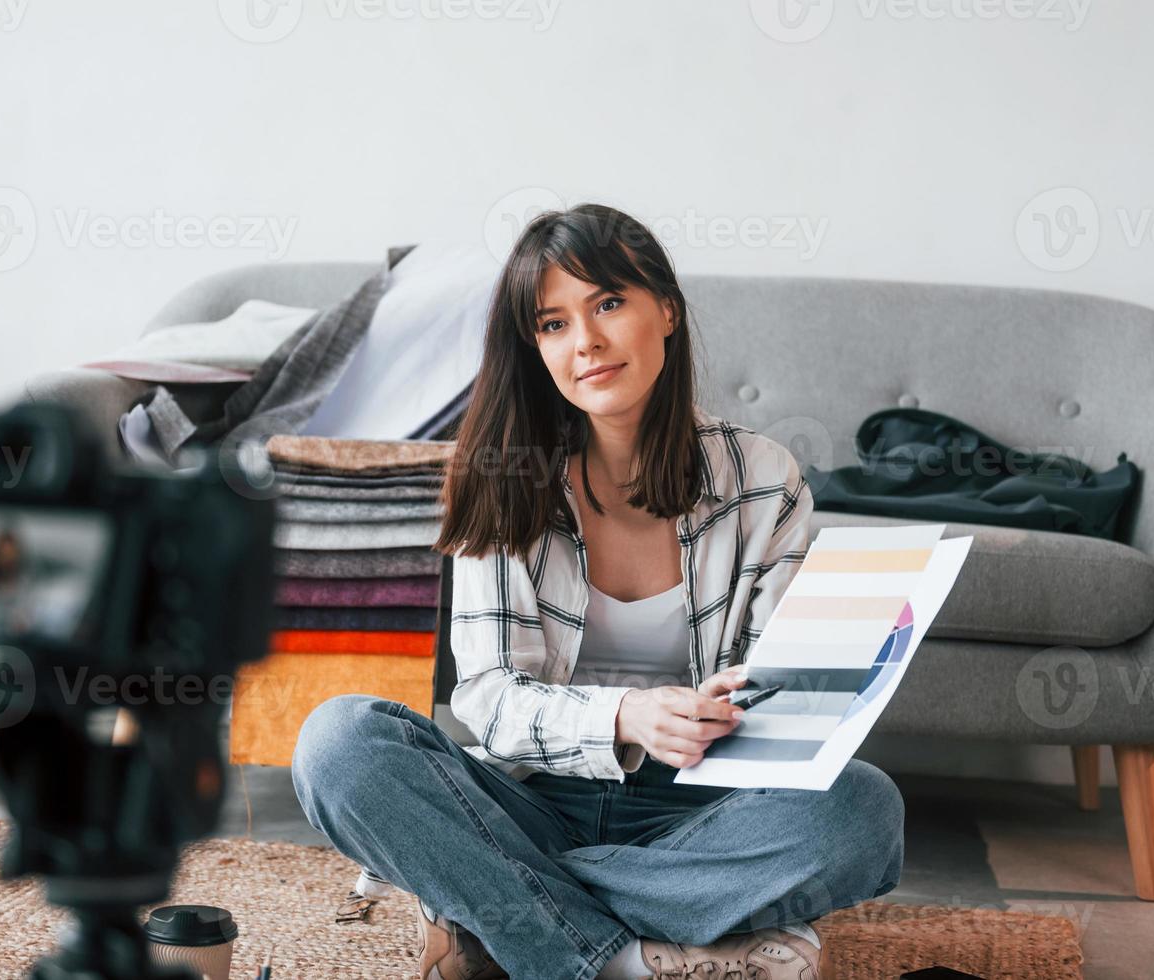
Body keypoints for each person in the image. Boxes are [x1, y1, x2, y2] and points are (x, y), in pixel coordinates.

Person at [292, 204, 905, 980]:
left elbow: (781, 698)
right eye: (552, 323)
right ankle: (631, 961)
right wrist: (627, 715)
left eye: (608, 303)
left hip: (701, 815)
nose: (585, 342)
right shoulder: (503, 476)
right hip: (533, 801)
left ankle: (497, 911)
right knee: (339, 744)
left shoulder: (764, 480)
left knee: (863, 811)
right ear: (534, 346)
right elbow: (487, 699)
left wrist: (758, 703)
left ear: (667, 309)